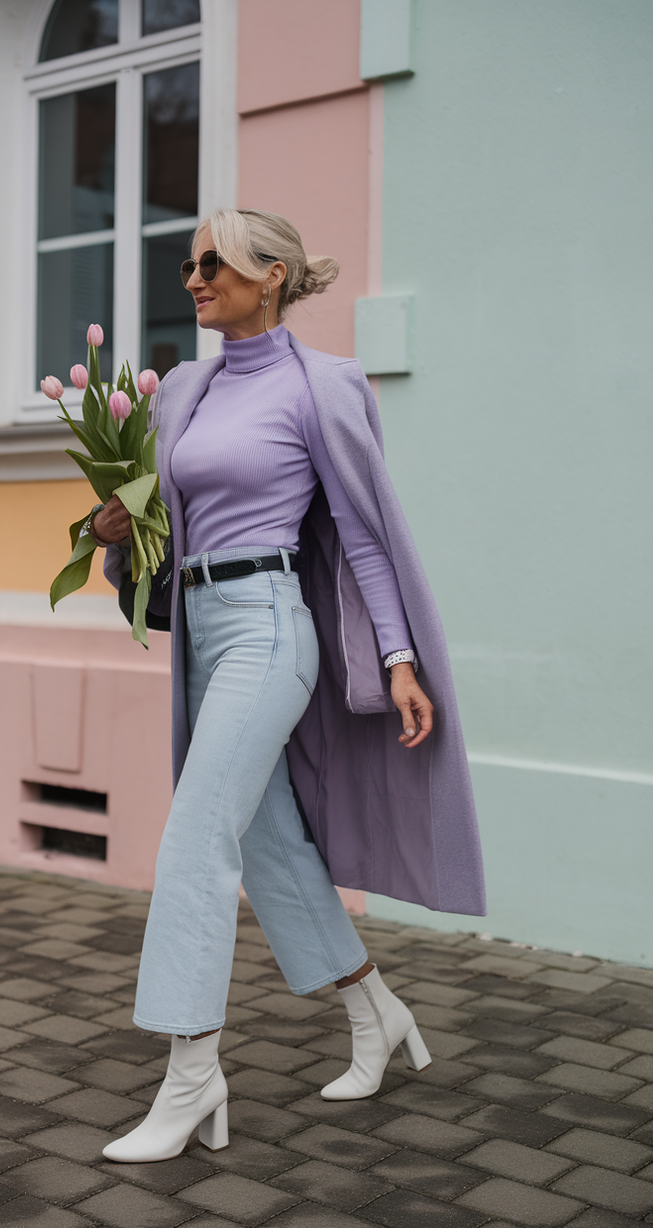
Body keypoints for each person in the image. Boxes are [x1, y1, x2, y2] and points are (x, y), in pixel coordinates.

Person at [92, 208, 485, 1164]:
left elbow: (364, 534)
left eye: (215, 264)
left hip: (272, 630)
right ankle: (377, 1013)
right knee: (268, 844)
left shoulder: (323, 387)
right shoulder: (185, 387)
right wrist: (121, 523)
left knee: (194, 839)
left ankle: (191, 1081)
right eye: (190, 266)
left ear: (272, 276)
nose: (194, 280)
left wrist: (399, 659)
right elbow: (177, 513)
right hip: (201, 625)